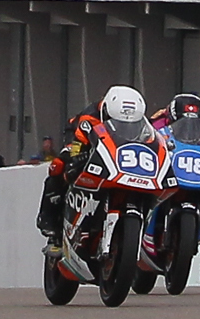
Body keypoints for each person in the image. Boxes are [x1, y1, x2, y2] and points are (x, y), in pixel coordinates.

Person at [36, 85, 149, 238]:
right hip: (80, 140)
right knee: (59, 165)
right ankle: (49, 218)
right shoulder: (90, 117)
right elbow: (78, 142)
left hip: (117, 150)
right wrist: (76, 158)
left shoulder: (137, 119)